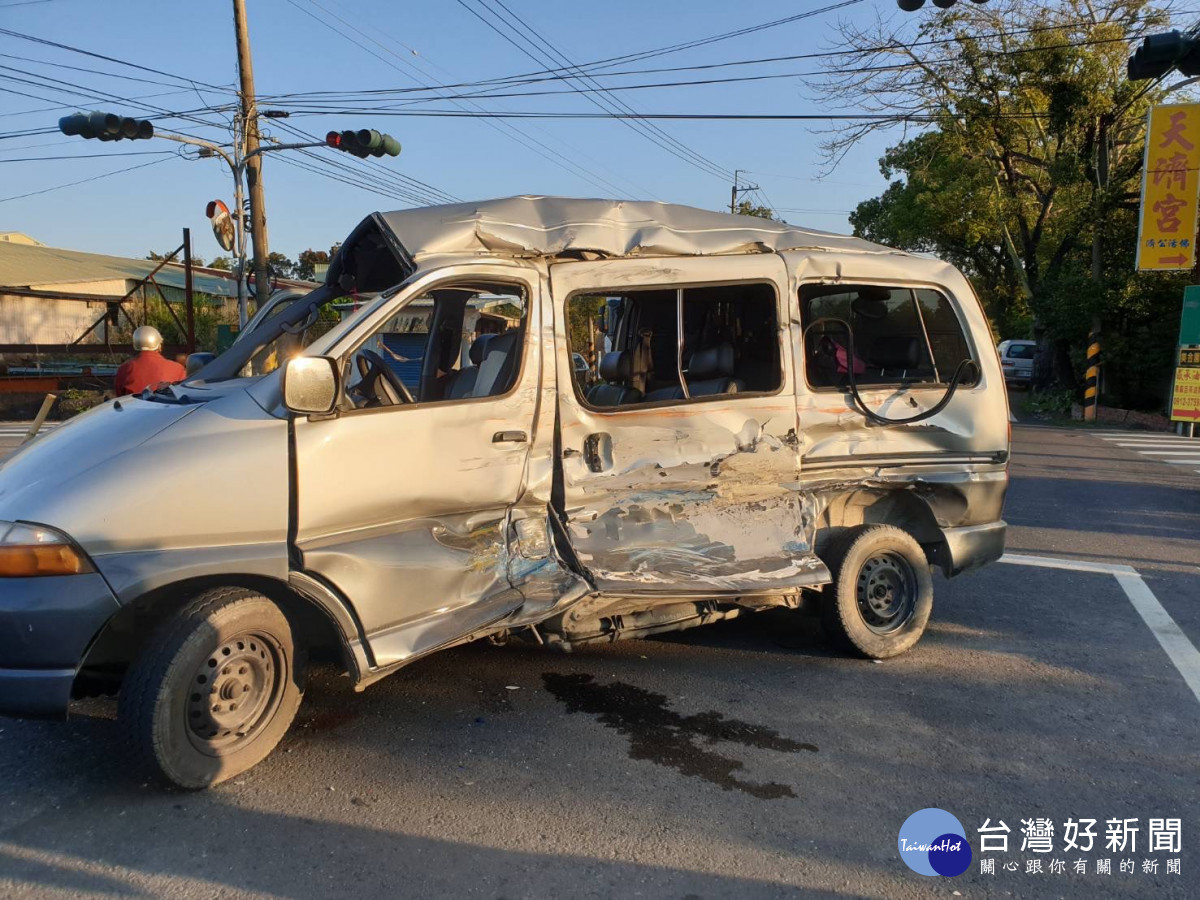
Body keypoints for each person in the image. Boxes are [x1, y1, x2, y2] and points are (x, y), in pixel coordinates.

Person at [114, 326, 187, 396]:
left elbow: (120, 396)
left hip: (134, 407)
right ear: (159, 346)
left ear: (135, 345)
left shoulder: (124, 369)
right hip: (167, 408)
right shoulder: (177, 369)